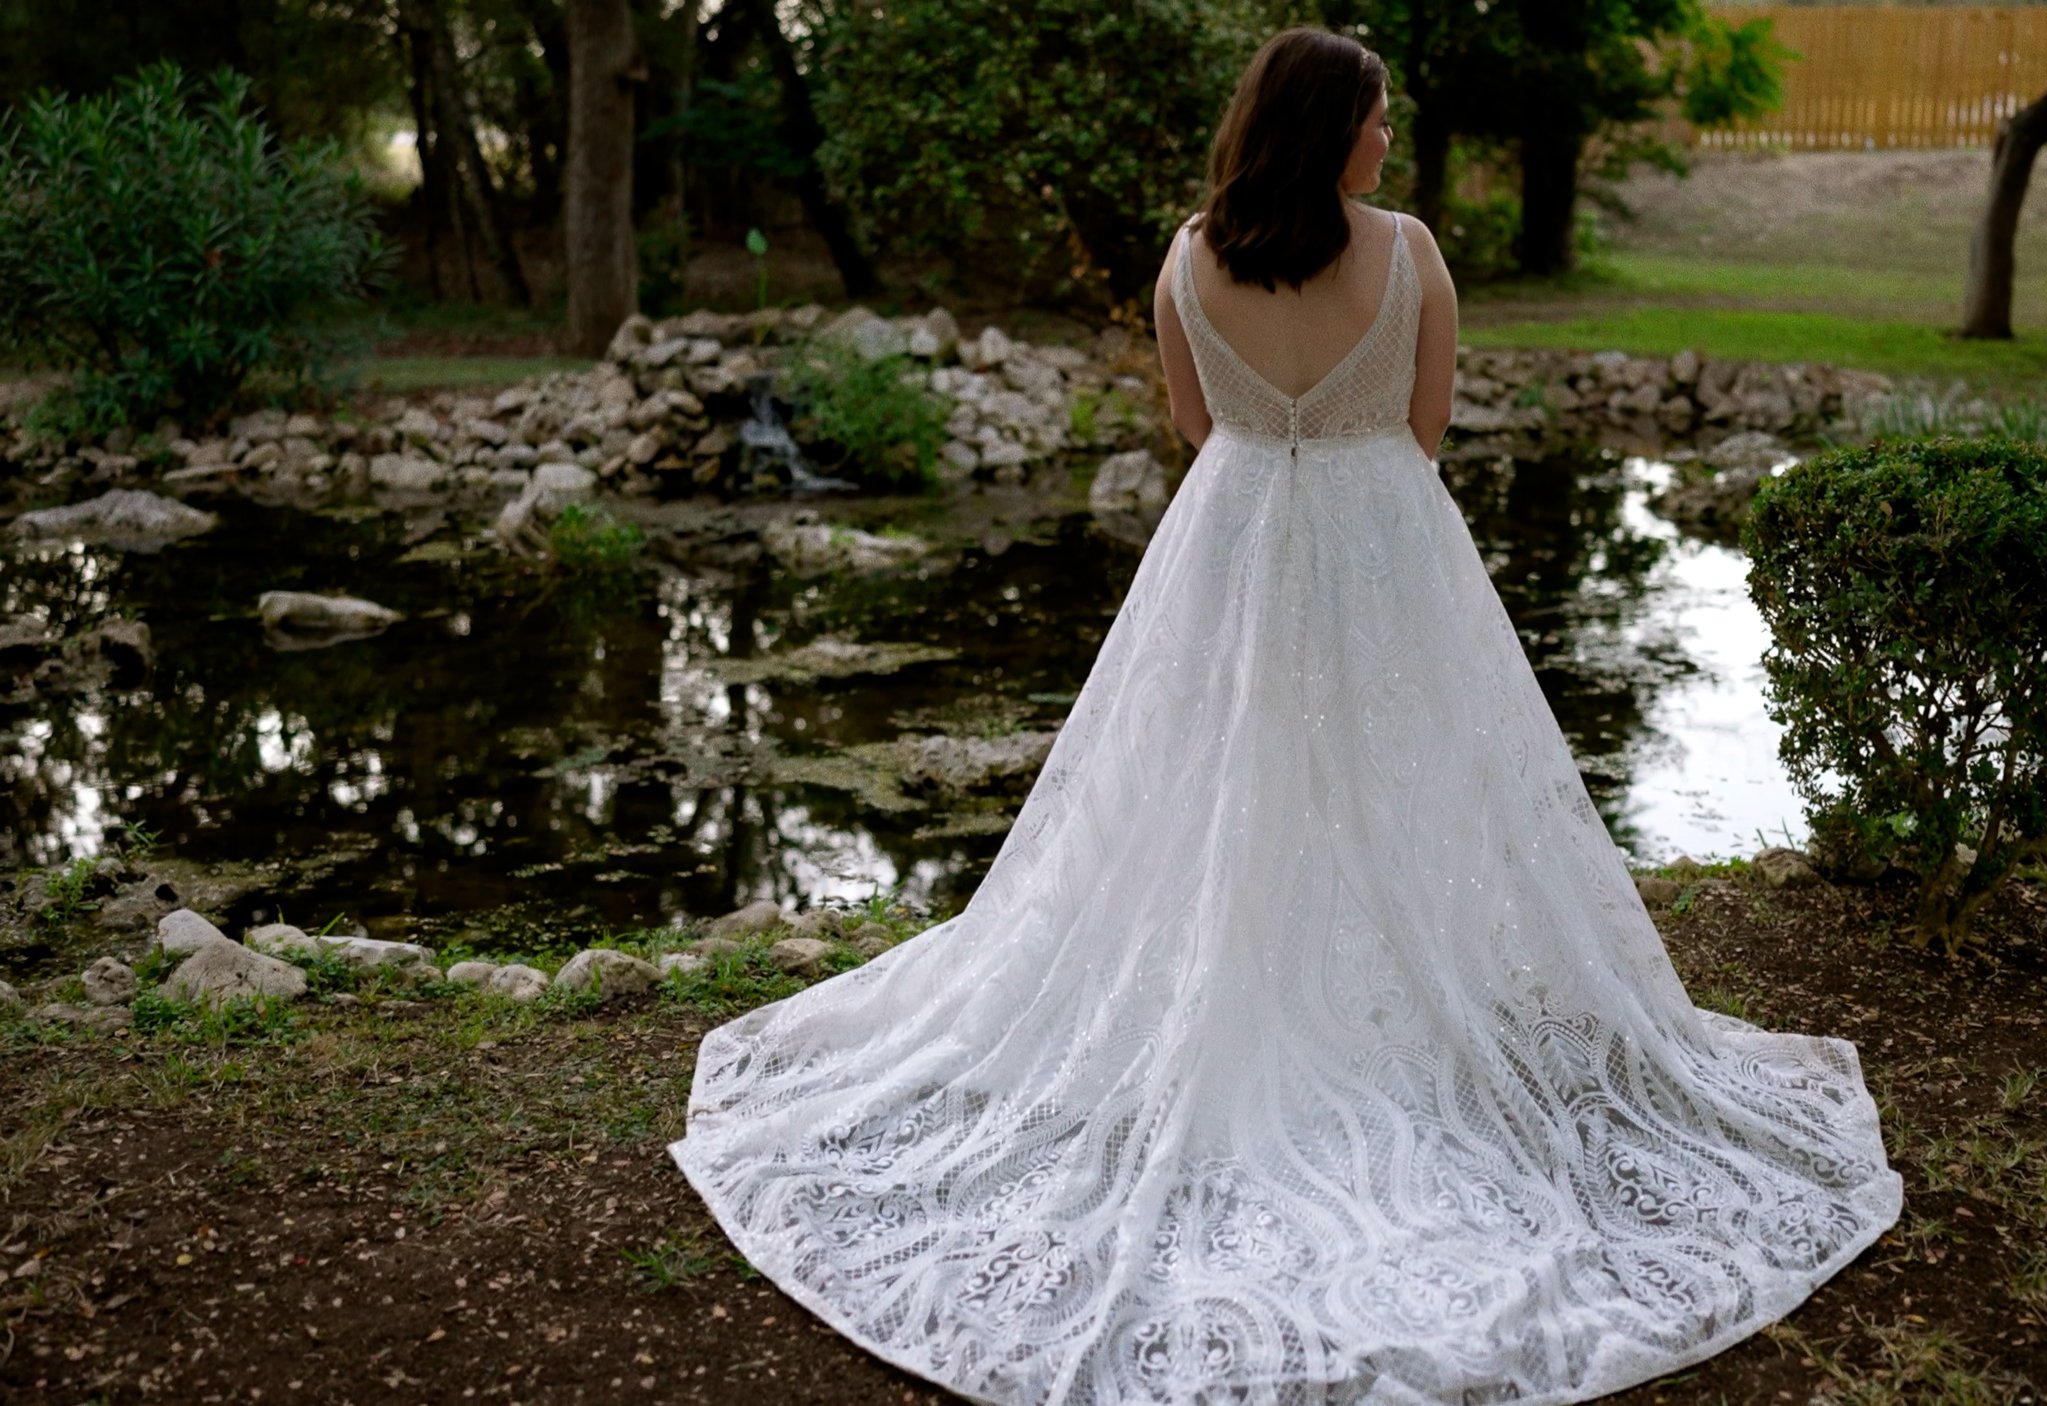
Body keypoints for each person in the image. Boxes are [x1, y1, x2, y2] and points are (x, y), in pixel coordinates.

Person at [671, 26, 1901, 1404]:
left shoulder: (1187, 259)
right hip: (1390, 545)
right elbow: (1427, 424)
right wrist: (1348, 457)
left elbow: (1198, 424)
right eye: (1377, 117)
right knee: (1407, 779)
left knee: (1217, 781)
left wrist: (1281, 452)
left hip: (1232, 540)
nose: (1390, 136)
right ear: (1332, 128)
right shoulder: (1414, 253)